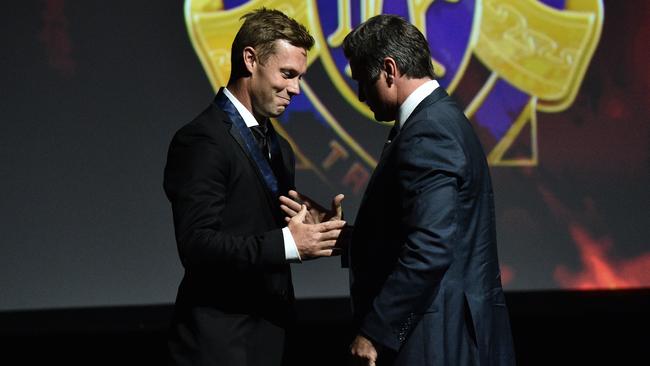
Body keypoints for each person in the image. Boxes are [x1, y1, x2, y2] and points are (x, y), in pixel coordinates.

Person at [281, 14, 515, 366]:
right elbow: (420, 232)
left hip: (438, 344)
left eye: (362, 81)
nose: (361, 96)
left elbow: (431, 246)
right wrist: (345, 236)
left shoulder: (429, 131)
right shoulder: (439, 120)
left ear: (389, 70)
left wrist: (376, 331)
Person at [163, 8, 346, 366]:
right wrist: (289, 244)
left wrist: (314, 230)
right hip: (219, 345)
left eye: (299, 77)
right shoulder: (202, 140)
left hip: (271, 338)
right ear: (250, 60)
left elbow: (259, 226)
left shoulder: (279, 146)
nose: (296, 89)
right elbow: (197, 246)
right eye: (288, 74)